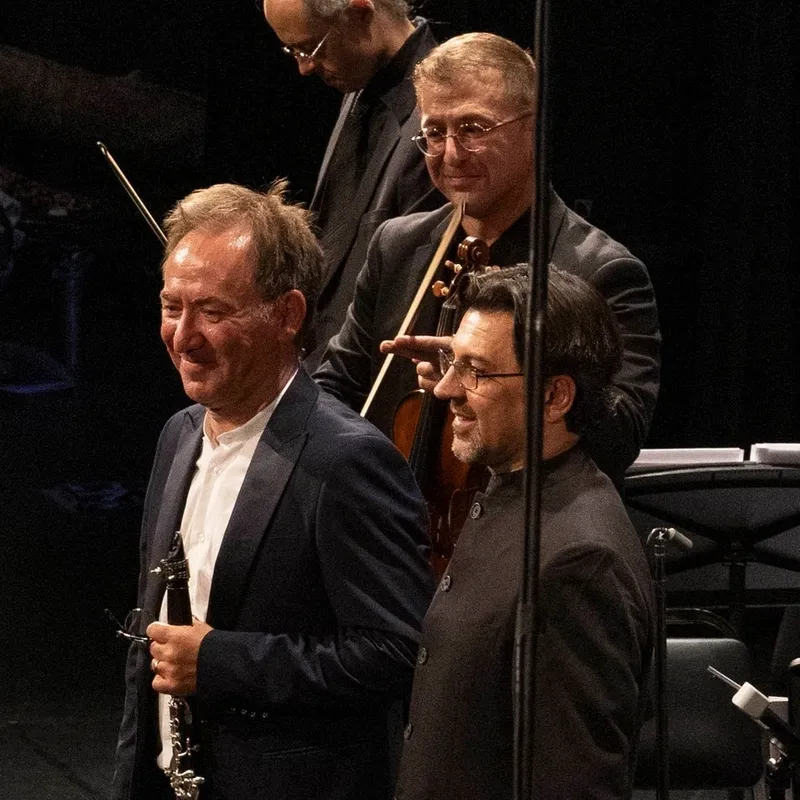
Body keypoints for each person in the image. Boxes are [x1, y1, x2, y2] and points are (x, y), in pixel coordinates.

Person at [110, 181, 435, 800]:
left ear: (288, 315)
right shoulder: (177, 436)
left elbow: (399, 651)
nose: (183, 336)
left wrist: (222, 662)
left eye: (213, 311)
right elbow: (150, 654)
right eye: (171, 306)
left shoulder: (347, 459)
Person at [315, 32, 661, 483]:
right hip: (388, 524)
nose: (452, 154)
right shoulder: (395, 245)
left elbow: (619, 440)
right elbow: (334, 388)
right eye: (435, 132)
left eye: (474, 128)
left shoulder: (600, 271)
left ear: (533, 128)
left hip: (518, 532)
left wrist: (503, 380)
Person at [393, 265, 654, 800]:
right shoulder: (514, 494)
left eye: (477, 372)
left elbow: (576, 787)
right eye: (452, 362)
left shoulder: (578, 564)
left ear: (556, 397)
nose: (445, 390)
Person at [262, 0, 443, 368]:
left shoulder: (439, 114)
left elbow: (397, 300)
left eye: (311, 48)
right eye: (292, 50)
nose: (304, 66)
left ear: (361, 13)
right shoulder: (358, 86)